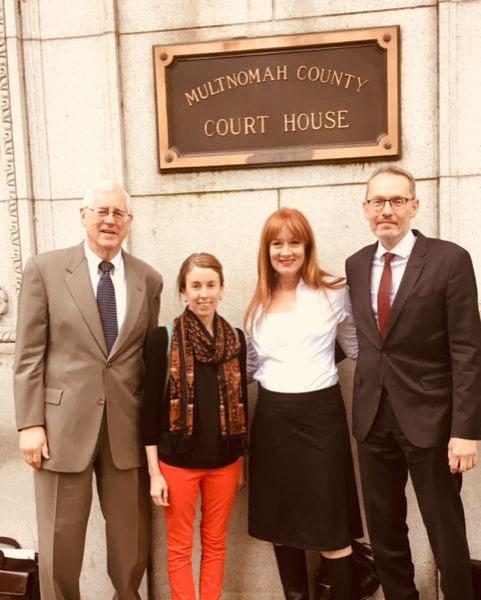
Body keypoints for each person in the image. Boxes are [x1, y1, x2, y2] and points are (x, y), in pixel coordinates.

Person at [14, 181, 163, 600]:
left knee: (131, 548)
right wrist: (30, 423)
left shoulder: (148, 280)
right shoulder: (44, 270)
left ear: (130, 222)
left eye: (119, 213)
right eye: (101, 211)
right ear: (83, 216)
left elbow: (147, 362)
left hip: (125, 430)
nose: (110, 220)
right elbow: (28, 354)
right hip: (60, 430)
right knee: (61, 548)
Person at [346, 165, 481, 600]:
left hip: (433, 423)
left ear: (414, 206)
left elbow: (467, 350)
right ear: (366, 209)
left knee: (445, 532)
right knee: (385, 534)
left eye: (397, 201)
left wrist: (466, 432)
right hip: (372, 420)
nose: (387, 210)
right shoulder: (356, 264)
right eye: (378, 202)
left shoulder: (449, 259)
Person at [245, 208, 363, 600]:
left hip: (320, 417)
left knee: (331, 525)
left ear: (307, 246)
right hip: (273, 419)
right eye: (277, 243)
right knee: (283, 525)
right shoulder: (259, 299)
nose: (286, 251)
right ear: (267, 250)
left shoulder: (333, 290)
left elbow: (355, 347)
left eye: (294, 242)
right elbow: (253, 364)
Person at [142, 253, 247, 600]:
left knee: (216, 544)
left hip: (225, 463)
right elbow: (150, 410)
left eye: (211, 285)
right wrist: (154, 472)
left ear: (221, 289)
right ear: (183, 292)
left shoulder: (235, 340)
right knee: (180, 546)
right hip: (177, 463)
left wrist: (240, 463)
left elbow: (243, 403)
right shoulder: (163, 338)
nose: (204, 293)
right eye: (195, 285)